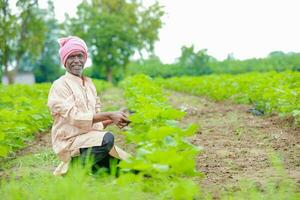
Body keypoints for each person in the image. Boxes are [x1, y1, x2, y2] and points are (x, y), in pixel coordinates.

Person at [47, 36, 131, 176]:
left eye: (80, 56)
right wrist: (109, 114)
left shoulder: (89, 85)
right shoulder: (60, 85)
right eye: (71, 57)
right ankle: (72, 171)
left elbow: (93, 124)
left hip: (90, 141)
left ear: (85, 58)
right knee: (107, 139)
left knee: (129, 168)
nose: (76, 61)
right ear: (64, 61)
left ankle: (89, 169)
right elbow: (75, 118)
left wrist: (112, 120)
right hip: (70, 143)